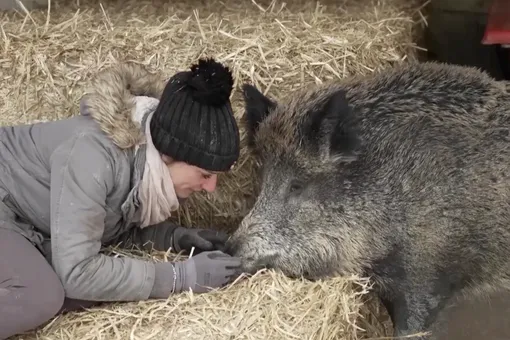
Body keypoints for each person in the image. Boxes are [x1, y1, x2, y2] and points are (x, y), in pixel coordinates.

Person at [0, 57, 242, 339]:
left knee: (83, 291)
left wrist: (175, 238)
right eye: (204, 174)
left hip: (20, 216)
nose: (211, 187)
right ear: (168, 155)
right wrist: (180, 277)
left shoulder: (143, 164)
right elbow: (79, 272)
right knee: (40, 296)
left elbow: (105, 230)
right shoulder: (93, 156)